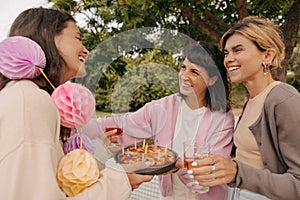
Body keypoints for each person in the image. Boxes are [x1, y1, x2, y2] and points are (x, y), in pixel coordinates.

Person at [0, 7, 152, 200]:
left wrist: (102, 148)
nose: (86, 50)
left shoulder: (29, 97)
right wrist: (123, 180)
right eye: (78, 38)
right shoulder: (29, 101)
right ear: (50, 37)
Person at [84, 42, 235, 199]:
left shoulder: (223, 119)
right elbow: (122, 125)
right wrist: (77, 126)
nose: (184, 76)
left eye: (194, 72)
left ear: (211, 80)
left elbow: (213, 169)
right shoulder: (163, 107)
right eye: (183, 68)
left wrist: (176, 163)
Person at [190, 16, 300, 200]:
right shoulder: (253, 100)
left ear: (267, 55)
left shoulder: (283, 100)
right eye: (226, 53)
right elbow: (247, 159)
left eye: (237, 50)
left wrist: (236, 172)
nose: (228, 59)